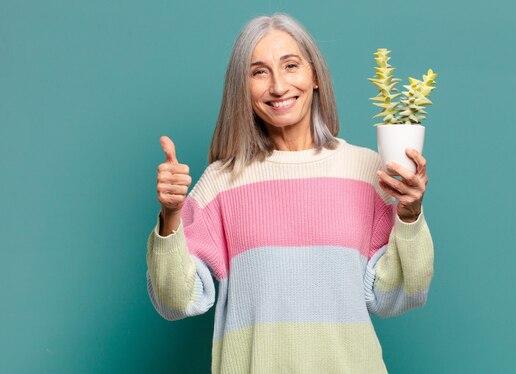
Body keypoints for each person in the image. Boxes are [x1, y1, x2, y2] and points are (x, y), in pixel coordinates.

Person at [146, 13, 434, 374]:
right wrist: (172, 215)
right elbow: (175, 300)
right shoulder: (222, 183)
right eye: (259, 72)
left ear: (314, 75)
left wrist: (409, 215)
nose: (278, 86)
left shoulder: (365, 171)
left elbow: (399, 295)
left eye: (291, 65)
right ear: (243, 88)